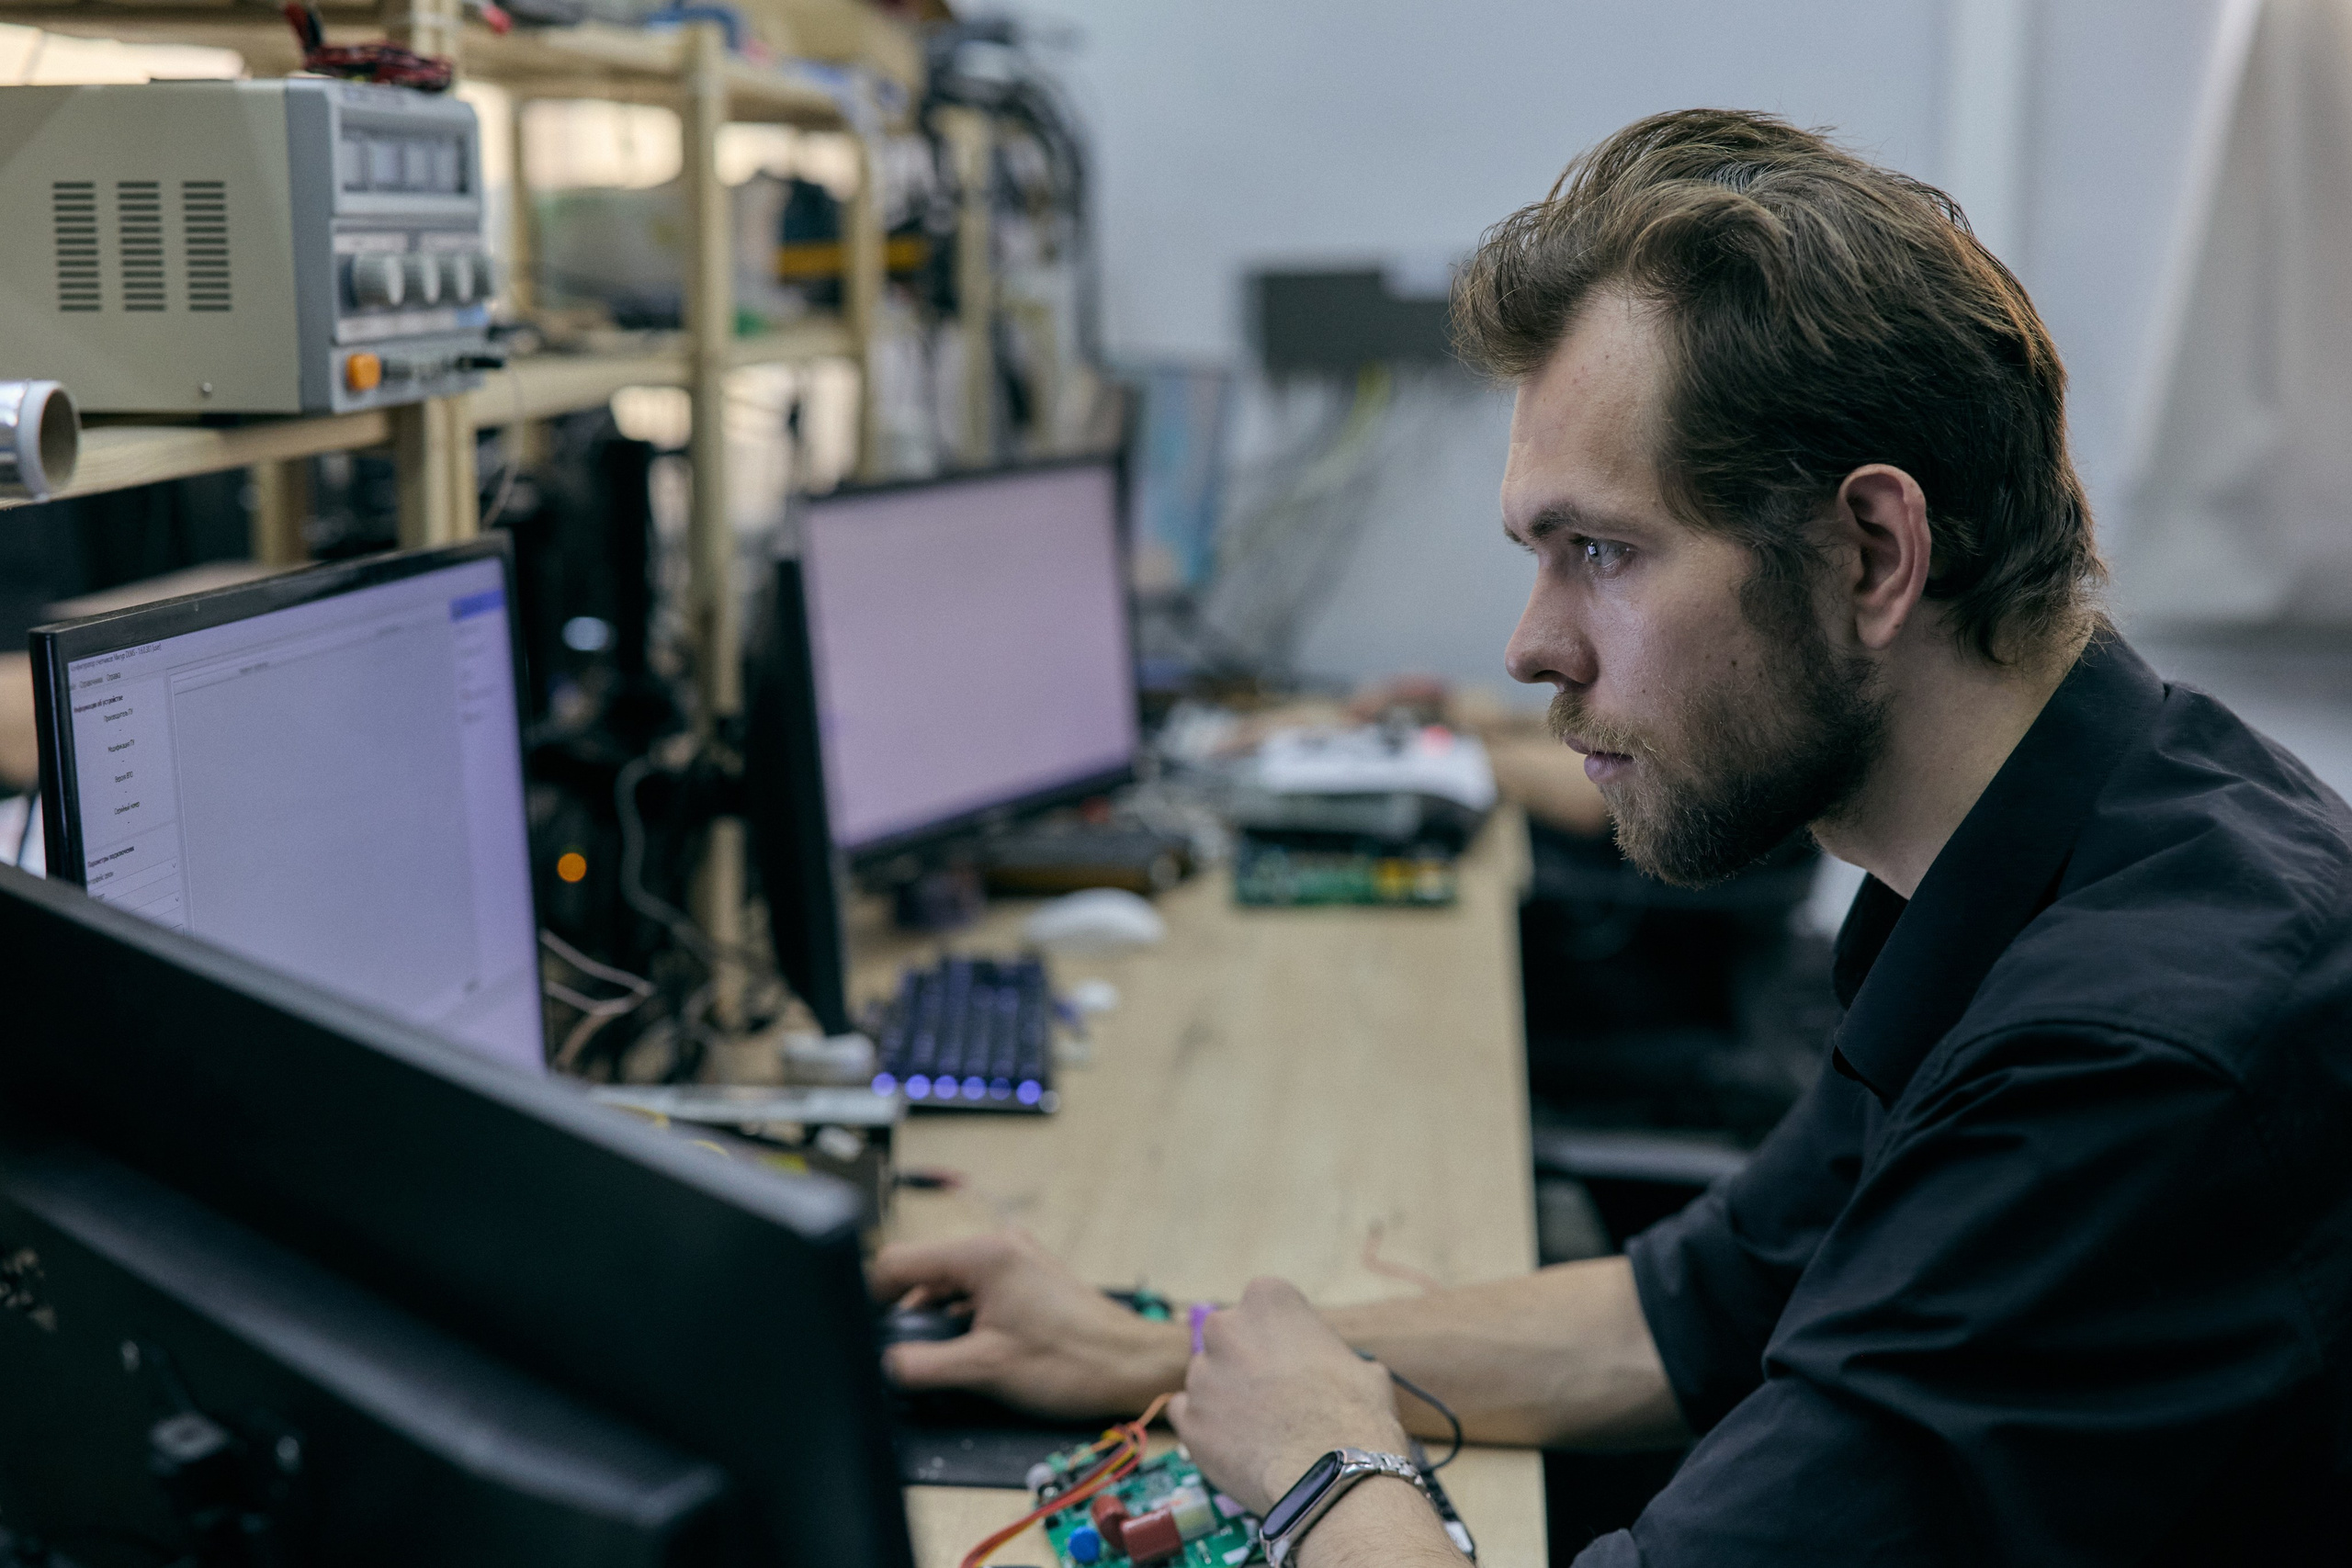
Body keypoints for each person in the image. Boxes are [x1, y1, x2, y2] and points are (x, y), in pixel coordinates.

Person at [872, 109, 2352, 1565]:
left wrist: (1328, 1470)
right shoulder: (2049, 848)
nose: (1531, 649)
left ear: (1872, 554)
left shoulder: (2139, 1056)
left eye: (1603, 554)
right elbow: (1687, 1310)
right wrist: (1147, 1345)